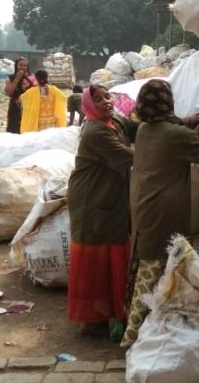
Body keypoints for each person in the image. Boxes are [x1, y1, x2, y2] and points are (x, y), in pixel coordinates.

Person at [121, 79, 199, 347]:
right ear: (168, 103)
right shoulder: (176, 135)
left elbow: (171, 130)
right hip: (164, 211)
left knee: (144, 262)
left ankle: (136, 326)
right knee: (157, 271)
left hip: (144, 207)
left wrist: (186, 123)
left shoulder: (144, 130)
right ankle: (134, 336)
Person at [67, 84, 138, 338]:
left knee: (111, 252)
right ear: (88, 105)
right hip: (92, 198)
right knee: (96, 257)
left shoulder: (116, 120)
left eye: (108, 96)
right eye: (98, 99)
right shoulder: (95, 131)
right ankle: (92, 317)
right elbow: (129, 157)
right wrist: (165, 149)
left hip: (109, 195)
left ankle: (109, 311)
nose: (106, 101)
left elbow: (139, 130)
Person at [4, 57, 35, 134]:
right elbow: (9, 93)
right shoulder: (10, 78)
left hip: (28, 107)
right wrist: (17, 79)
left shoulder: (32, 78)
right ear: (16, 66)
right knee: (14, 130)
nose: (23, 67)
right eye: (20, 65)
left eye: (25, 65)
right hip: (15, 107)